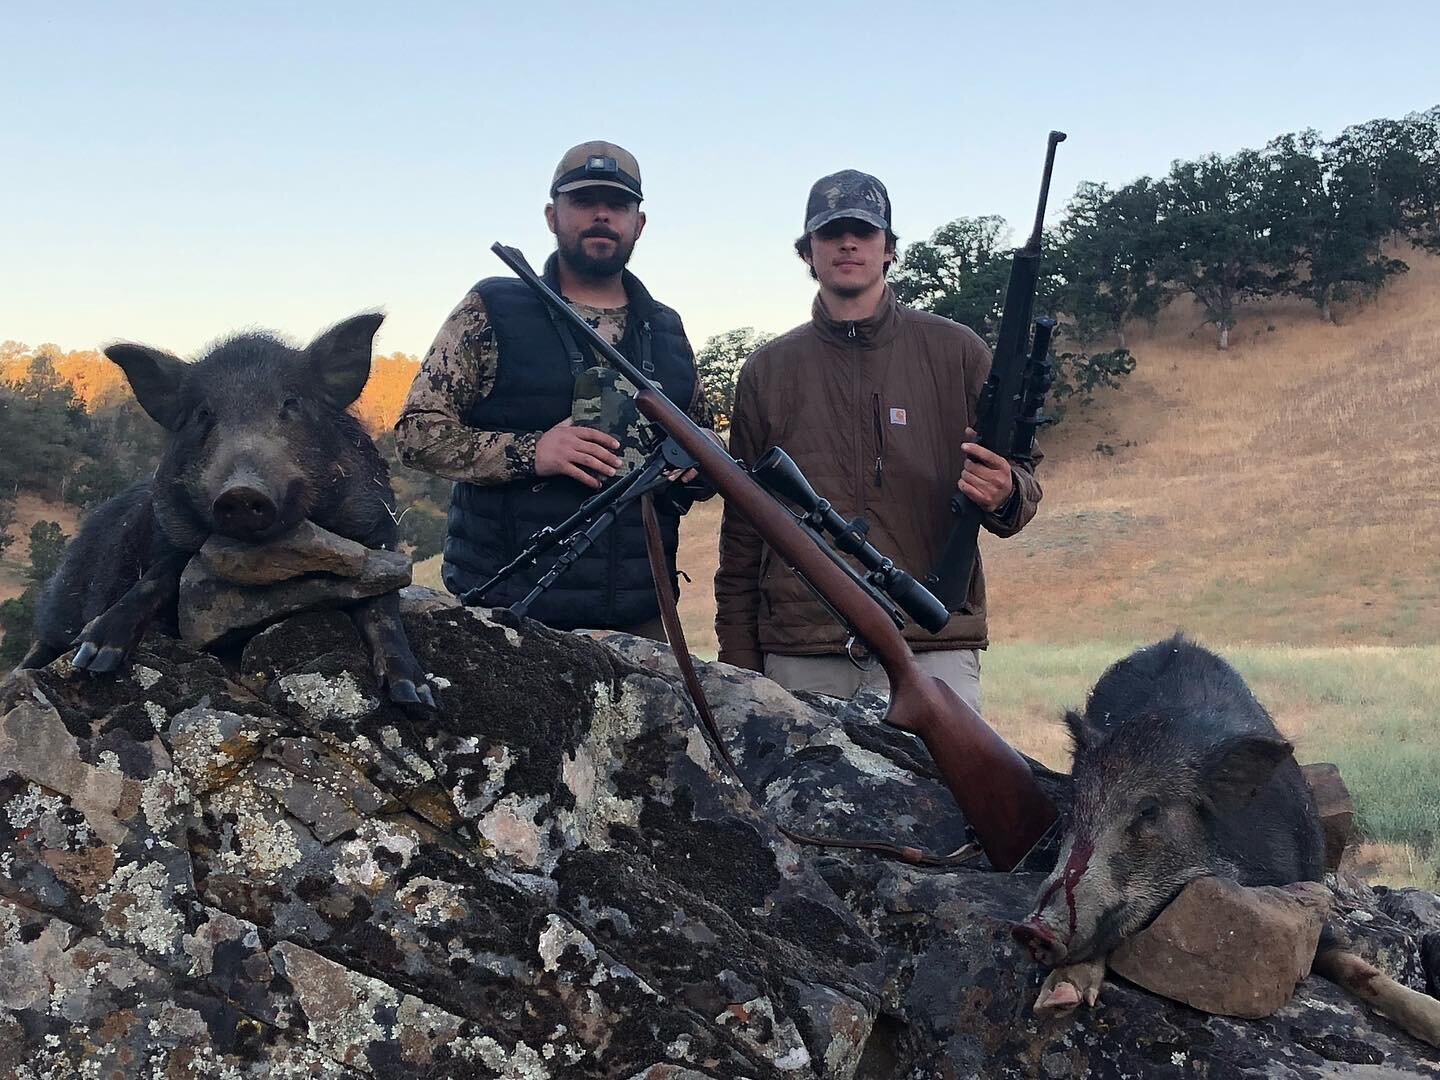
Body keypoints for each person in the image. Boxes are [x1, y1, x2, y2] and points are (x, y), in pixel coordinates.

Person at [714, 170, 1041, 710]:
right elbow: (743, 533)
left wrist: (1006, 492)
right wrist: (741, 663)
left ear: (889, 250)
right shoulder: (766, 372)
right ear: (808, 252)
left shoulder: (958, 353)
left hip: (932, 642)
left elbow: (1022, 476)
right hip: (802, 653)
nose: (847, 244)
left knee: (950, 798)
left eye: (863, 233)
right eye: (830, 232)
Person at [396, 141, 711, 638]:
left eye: (618, 205)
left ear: (639, 224)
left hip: (641, 617)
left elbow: (700, 443)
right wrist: (532, 451)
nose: (602, 215)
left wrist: (694, 469)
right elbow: (416, 434)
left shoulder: (667, 330)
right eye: (584, 202)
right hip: (508, 612)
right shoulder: (492, 309)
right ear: (552, 215)